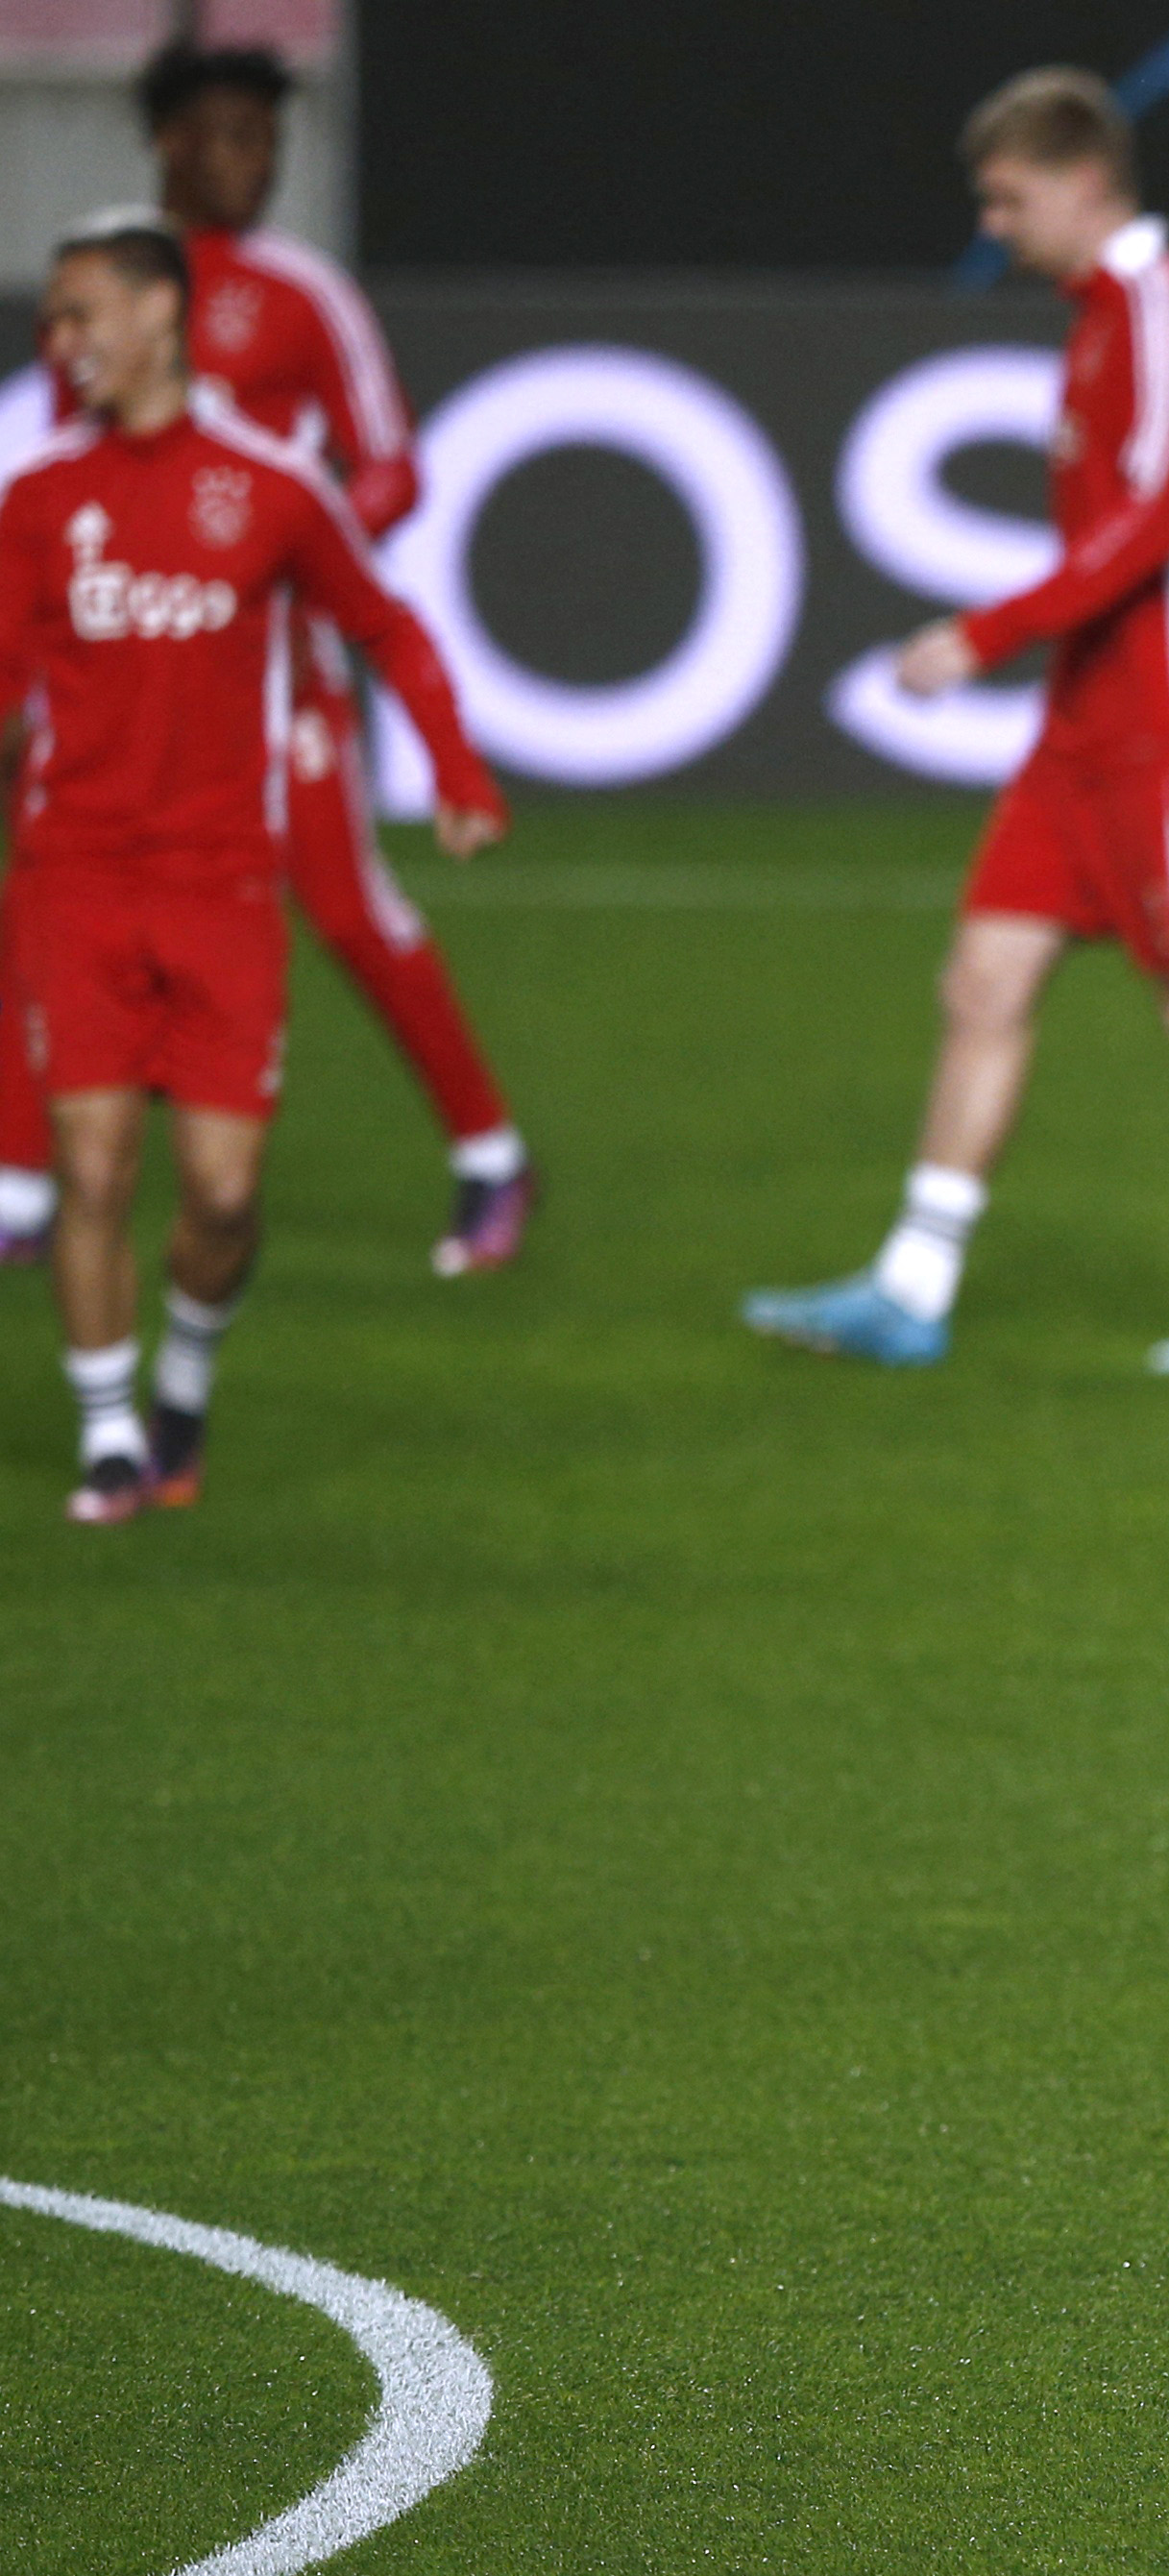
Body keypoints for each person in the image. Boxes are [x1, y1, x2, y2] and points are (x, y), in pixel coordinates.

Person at [743, 69, 1169, 1375]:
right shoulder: (1102, 318)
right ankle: (912, 1284)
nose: (994, 227)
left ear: (1082, 180)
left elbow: (1148, 524)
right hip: (1084, 729)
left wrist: (983, 631)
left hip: (1167, 729)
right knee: (986, 979)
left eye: (1008, 199)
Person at [0, 213, 503, 1522]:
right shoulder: (40, 497)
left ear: (159, 315)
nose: (59, 341)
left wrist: (455, 768)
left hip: (224, 883)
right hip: (80, 876)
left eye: (78, 312)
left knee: (222, 1196)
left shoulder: (272, 483)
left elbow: (387, 625)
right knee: (96, 1163)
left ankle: (184, 1380)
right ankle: (111, 1433)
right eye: (51, 321)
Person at [0, 39, 529, 1282]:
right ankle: (28, 1180)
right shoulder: (107, 287)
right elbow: (56, 470)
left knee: (346, 904)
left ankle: (490, 1150)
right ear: (168, 145)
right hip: (122, 659)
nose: (250, 162)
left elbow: (390, 458)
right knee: (55, 895)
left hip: (272, 662)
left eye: (267, 142)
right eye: (226, 136)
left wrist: (289, 546)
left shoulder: (304, 294)